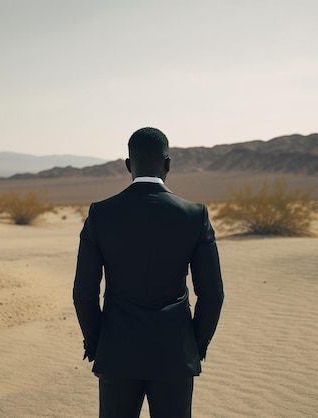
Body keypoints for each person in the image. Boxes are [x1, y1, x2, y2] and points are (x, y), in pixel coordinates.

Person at [73, 127, 224, 418]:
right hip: (174, 355)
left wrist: (97, 344)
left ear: (128, 165)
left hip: (117, 354)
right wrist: (194, 345)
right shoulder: (195, 215)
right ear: (168, 164)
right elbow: (213, 294)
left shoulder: (100, 214)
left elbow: (83, 294)